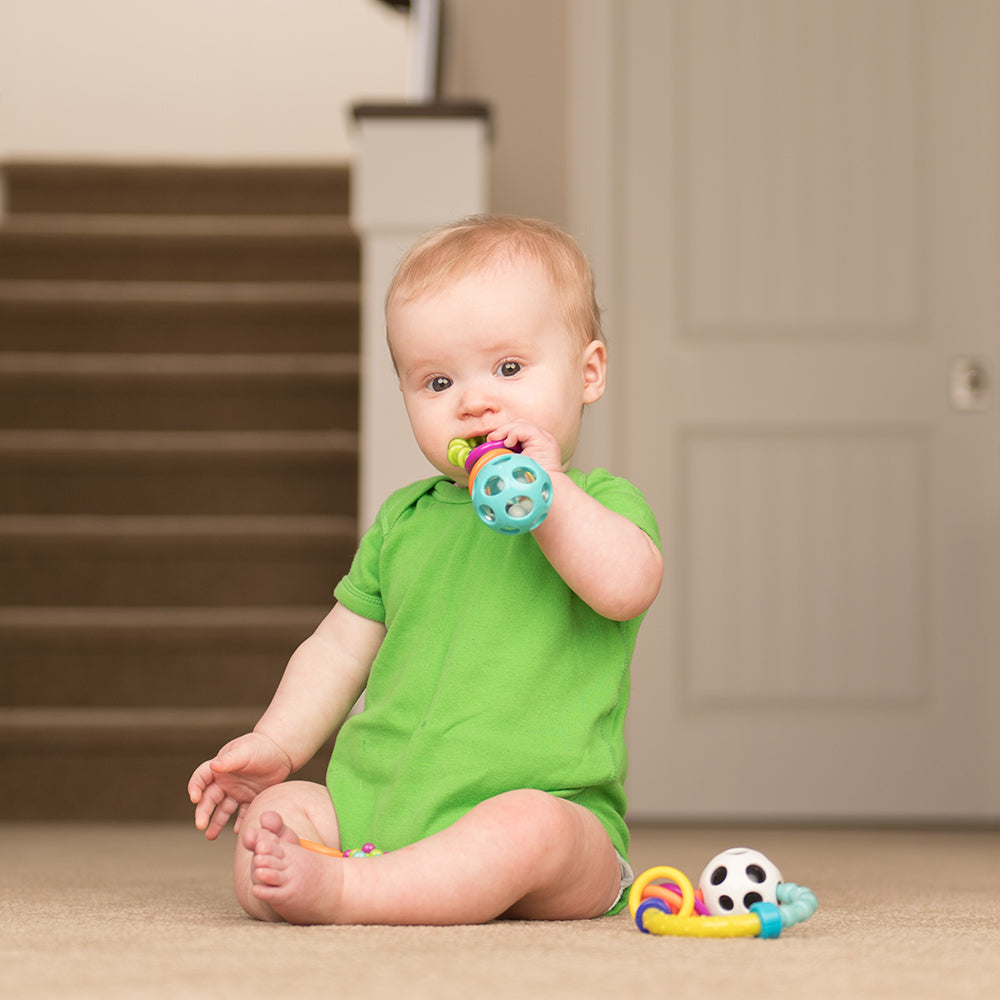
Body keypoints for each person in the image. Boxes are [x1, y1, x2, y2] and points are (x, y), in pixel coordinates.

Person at [188, 215, 663, 925]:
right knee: (282, 815)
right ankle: (345, 872)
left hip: (553, 813)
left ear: (587, 373)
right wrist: (278, 743)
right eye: (437, 381)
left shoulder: (597, 504)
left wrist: (550, 495)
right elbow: (338, 647)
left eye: (508, 369)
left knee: (529, 831)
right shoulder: (405, 521)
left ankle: (354, 894)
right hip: (384, 806)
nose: (473, 401)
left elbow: (626, 587)